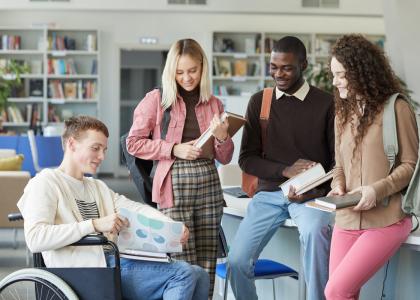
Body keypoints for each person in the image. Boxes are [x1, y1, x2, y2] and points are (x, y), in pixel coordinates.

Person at [17, 116, 209, 300]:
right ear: (72, 144)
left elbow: (135, 208)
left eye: (104, 150)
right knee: (183, 274)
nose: (101, 156)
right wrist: (94, 224)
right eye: (95, 148)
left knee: (199, 274)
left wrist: (172, 225)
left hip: (110, 263)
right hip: (83, 270)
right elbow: (35, 238)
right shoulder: (45, 183)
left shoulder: (96, 186)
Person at [228, 36, 335, 300]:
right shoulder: (259, 102)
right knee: (237, 261)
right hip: (269, 196)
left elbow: (337, 162)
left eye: (286, 68)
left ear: (304, 65)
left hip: (312, 198)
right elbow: (247, 159)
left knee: (316, 233)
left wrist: (316, 189)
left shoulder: (327, 103)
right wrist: (286, 170)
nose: (278, 74)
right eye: (273, 67)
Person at [126, 38, 234, 296]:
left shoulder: (214, 103)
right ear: (171, 72)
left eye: (192, 71)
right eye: (179, 72)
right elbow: (133, 143)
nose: (187, 78)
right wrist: (174, 149)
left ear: (202, 67)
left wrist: (222, 137)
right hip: (173, 185)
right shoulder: (157, 100)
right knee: (181, 257)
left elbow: (226, 157)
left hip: (208, 183)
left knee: (208, 258)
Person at [324, 34, 419, 300]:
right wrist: (338, 184)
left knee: (335, 291)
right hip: (346, 219)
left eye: (340, 75)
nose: (335, 82)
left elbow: (411, 166)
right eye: (333, 74)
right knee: (343, 294)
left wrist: (376, 191)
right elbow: (339, 164)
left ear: (360, 72)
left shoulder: (397, 108)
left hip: (387, 220)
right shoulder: (343, 112)